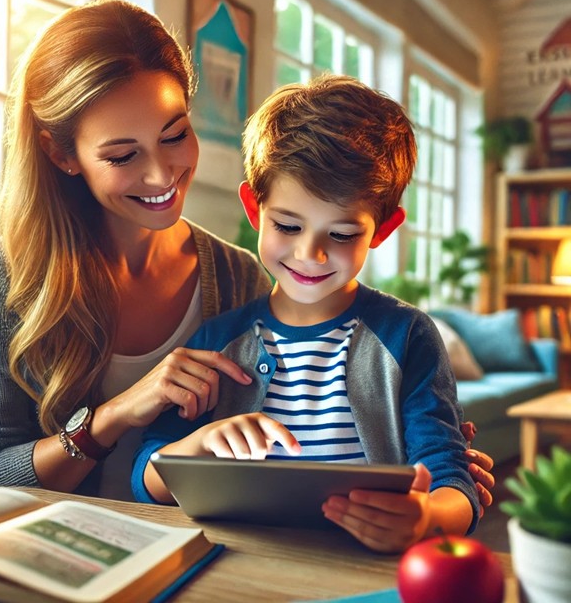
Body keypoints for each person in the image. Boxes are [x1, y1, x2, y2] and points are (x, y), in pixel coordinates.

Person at [0, 0, 492, 506]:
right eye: (121, 155)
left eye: (175, 134)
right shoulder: (7, 278)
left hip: (201, 556)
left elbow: (285, 454)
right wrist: (114, 416)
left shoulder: (238, 276)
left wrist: (429, 471)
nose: (162, 174)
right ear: (62, 154)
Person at [133, 74, 489, 552]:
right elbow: (146, 480)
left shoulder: (407, 337)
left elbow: (454, 481)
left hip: (361, 573)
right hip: (237, 570)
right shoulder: (217, 342)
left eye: (341, 235)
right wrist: (198, 446)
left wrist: (426, 517)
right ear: (255, 211)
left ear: (382, 230)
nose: (311, 255)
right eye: (287, 225)